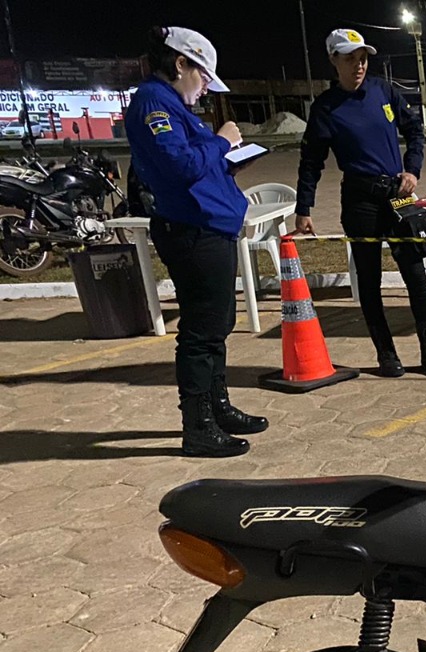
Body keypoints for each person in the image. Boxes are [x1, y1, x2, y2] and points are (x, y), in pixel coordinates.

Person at [125, 26, 266, 458]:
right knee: (201, 334)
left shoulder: (171, 104)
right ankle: (199, 425)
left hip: (210, 228)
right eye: (203, 77)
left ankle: (217, 407)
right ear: (180, 63)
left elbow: (194, 162)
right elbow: (179, 164)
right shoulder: (154, 102)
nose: (205, 88)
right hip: (192, 232)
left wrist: (224, 160)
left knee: (217, 326)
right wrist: (222, 142)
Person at [294, 29, 426, 379]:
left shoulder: (383, 90)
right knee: (369, 280)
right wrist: (304, 208)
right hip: (360, 200)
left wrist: (412, 168)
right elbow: (311, 162)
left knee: (415, 274)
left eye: (363, 58)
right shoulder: (325, 109)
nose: (359, 65)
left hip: (397, 195)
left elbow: (414, 131)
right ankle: (386, 353)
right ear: (334, 60)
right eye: (350, 58)